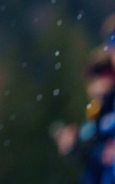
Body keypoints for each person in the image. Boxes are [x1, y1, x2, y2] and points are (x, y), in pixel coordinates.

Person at [53, 48, 115, 184]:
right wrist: (74, 142)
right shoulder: (95, 108)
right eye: (93, 78)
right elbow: (91, 136)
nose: (98, 82)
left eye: (101, 72)